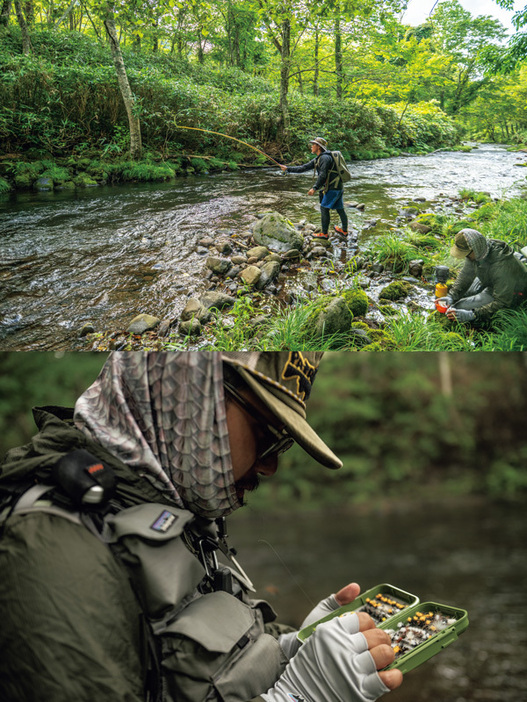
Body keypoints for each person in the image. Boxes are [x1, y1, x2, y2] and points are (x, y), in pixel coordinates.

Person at [0, 351, 403, 702]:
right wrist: (298, 697)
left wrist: (291, 649)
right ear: (187, 394)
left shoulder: (177, 515)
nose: (270, 465)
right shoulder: (50, 551)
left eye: (280, 444)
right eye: (266, 433)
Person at [444, 228, 527, 324]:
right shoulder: (480, 251)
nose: (466, 257)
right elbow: (466, 274)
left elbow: (502, 302)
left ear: (475, 249)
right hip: (489, 279)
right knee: (464, 294)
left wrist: (473, 314)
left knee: (458, 308)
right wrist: (451, 296)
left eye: (467, 255)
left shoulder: (501, 266)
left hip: (512, 294)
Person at [280, 137, 349, 241]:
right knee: (340, 209)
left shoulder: (324, 158)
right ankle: (344, 230)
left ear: (318, 147)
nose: (311, 146)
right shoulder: (319, 158)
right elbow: (303, 167)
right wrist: (288, 168)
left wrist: (314, 188)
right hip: (338, 187)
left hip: (332, 188)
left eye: (313, 144)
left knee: (324, 208)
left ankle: (324, 234)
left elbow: (323, 175)